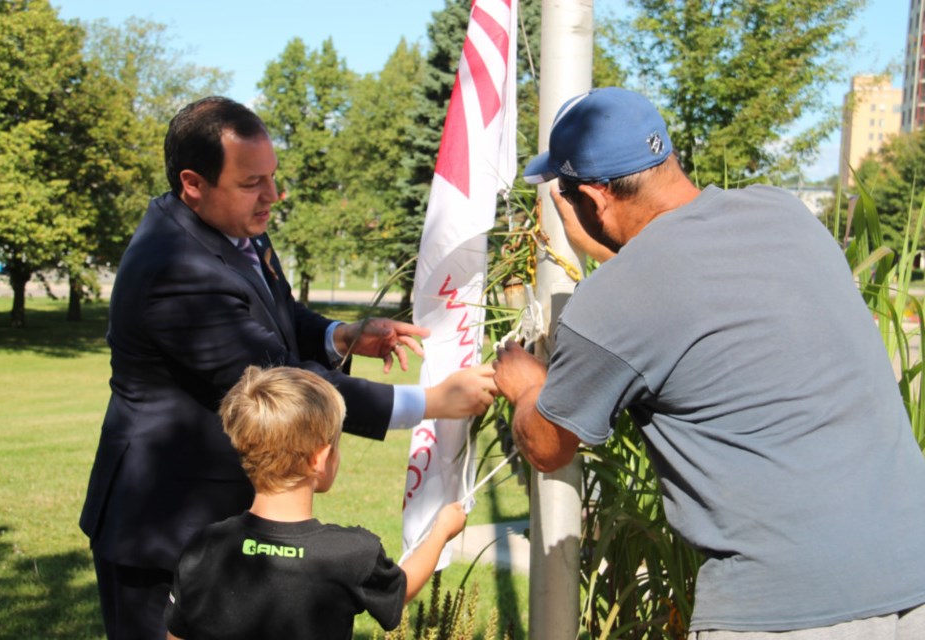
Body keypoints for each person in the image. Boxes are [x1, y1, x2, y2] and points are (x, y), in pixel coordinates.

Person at [493, 87, 925, 638]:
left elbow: (548, 446)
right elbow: (700, 282)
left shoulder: (615, 301)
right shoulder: (783, 214)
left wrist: (527, 388)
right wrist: (612, 256)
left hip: (785, 608)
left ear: (594, 202)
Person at [80, 96, 496, 639]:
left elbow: (276, 314)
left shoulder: (233, 223)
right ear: (193, 183)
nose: (272, 197)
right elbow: (285, 383)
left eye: (273, 178)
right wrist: (432, 402)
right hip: (163, 525)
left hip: (223, 530)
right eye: (253, 182)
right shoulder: (176, 270)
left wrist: (339, 334)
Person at [163, 366, 466, 640]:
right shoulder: (353, 554)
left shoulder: (205, 548)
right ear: (319, 459)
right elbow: (401, 591)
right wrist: (440, 531)